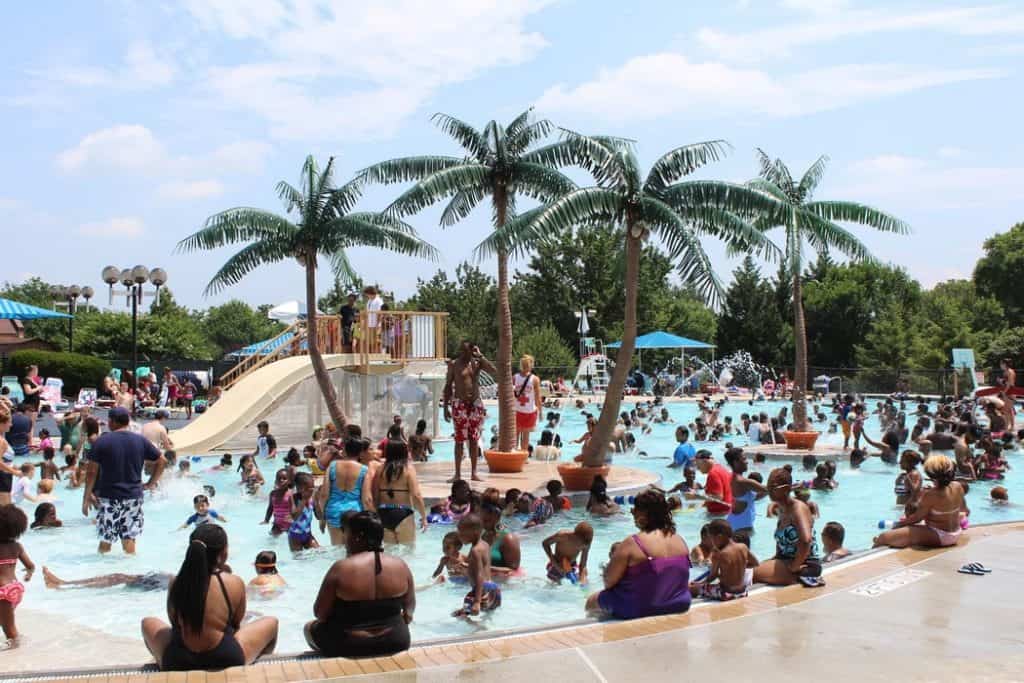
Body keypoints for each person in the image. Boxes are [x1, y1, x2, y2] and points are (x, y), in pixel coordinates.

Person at [141, 524, 279, 670]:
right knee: (272, 622)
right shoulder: (234, 582)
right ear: (224, 552)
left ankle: (165, 669)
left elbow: (174, 623)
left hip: (178, 659)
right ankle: (256, 672)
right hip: (225, 657)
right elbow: (236, 624)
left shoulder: (176, 581)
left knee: (147, 622)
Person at [305, 511, 415, 657]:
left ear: (358, 537)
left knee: (309, 628)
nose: (345, 539)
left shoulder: (341, 568)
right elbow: (409, 612)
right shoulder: (401, 566)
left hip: (350, 644)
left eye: (347, 534)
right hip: (395, 641)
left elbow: (320, 614)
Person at [585, 490, 690, 619]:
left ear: (644, 515)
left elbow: (609, 582)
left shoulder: (633, 543)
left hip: (639, 608)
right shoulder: (679, 540)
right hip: (679, 604)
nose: (632, 511)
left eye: (635, 509)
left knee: (591, 602)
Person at [82, 406, 166, 554]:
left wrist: (87, 496)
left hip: (110, 497)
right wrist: (150, 483)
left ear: (112, 422)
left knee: (106, 539)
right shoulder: (140, 440)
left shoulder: (102, 442)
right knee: (129, 538)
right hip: (134, 496)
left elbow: (91, 472)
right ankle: (130, 572)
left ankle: (101, 572)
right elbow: (162, 460)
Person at [874, 456, 969, 549]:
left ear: (930, 474)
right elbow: (966, 511)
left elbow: (916, 519)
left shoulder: (931, 494)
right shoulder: (958, 486)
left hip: (941, 536)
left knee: (883, 537)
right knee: (902, 534)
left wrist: (896, 525)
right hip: (956, 533)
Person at [753, 467, 822, 587]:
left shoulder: (797, 508)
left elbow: (806, 540)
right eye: (767, 486)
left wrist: (795, 566)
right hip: (786, 561)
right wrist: (773, 560)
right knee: (749, 569)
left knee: (749, 574)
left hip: (804, 565)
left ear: (785, 489)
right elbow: (782, 545)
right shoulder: (782, 509)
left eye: (772, 487)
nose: (768, 490)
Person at [443, 341, 496, 483]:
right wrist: (445, 408)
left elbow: (493, 371)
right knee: (459, 440)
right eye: (464, 351)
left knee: (474, 439)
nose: (466, 353)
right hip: (460, 405)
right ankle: (458, 474)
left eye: (469, 351)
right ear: (461, 350)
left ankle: (474, 472)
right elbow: (448, 386)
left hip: (475, 404)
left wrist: (481, 356)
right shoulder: (455, 365)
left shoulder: (477, 363)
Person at [372, 440, 428, 543]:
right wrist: (424, 516)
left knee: (389, 554)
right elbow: (416, 495)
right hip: (403, 513)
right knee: (408, 551)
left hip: (384, 513)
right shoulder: (408, 469)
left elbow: (375, 495)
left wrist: (375, 514)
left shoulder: (380, 469)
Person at [318, 439, 372, 545]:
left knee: (336, 549)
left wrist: (322, 517)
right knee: (353, 549)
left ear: (344, 451)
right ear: (360, 453)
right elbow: (366, 499)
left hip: (333, 511)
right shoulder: (364, 470)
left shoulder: (332, 466)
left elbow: (324, 495)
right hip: (354, 513)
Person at [689, 519, 758, 601]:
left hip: (725, 593)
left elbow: (712, 576)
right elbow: (755, 563)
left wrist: (700, 584)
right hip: (742, 592)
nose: (712, 543)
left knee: (691, 588)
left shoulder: (719, 554)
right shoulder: (743, 547)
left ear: (719, 537)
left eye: (712, 539)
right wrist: (741, 566)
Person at [452, 514, 501, 617]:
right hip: (493, 589)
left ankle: (478, 629)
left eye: (461, 532)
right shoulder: (485, 545)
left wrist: (477, 601)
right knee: (487, 616)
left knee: (461, 618)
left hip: (480, 591)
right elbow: (484, 567)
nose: (459, 536)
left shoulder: (475, 550)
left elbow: (479, 575)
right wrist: (467, 566)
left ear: (474, 532)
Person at [0, 504, 35, 646]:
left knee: (9, 629)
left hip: (2, 592)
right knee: (7, 621)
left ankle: (16, 652)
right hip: (15, 589)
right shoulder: (17, 547)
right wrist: (28, 575)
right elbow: (31, 566)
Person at [724, 447, 767, 539]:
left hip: (738, 525)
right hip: (741, 528)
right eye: (744, 459)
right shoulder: (742, 481)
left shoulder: (735, 478)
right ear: (736, 462)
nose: (747, 461)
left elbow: (753, 497)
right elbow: (769, 489)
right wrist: (795, 486)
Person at [43, 567, 173, 591]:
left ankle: (66, 586)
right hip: (165, 579)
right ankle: (65, 583)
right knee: (118, 576)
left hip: (163, 583)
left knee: (118, 578)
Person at [481, 503, 522, 576]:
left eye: (486, 521)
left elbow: (514, 571)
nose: (483, 524)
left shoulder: (509, 538)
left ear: (497, 518)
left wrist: (482, 568)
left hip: (505, 584)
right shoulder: (484, 536)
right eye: (481, 520)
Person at [513, 355, 542, 451]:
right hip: (529, 411)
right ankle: (524, 458)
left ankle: (514, 454)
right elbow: (538, 398)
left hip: (517, 410)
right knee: (526, 436)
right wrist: (541, 412)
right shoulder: (535, 379)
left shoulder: (515, 378)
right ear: (531, 365)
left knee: (515, 435)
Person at [288, 472, 319, 552]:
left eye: (313, 488)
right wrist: (304, 500)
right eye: (309, 489)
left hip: (308, 535)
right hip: (295, 537)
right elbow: (294, 517)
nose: (312, 491)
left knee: (320, 552)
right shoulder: (293, 498)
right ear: (299, 488)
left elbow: (318, 516)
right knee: (299, 560)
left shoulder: (312, 498)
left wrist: (317, 502)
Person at [695, 451, 733, 516]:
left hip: (718, 514)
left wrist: (696, 497)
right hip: (727, 511)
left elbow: (718, 497)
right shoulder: (721, 468)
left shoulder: (713, 473)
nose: (697, 468)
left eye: (697, 464)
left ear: (704, 461)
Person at [262, 469, 293, 536]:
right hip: (277, 524)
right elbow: (270, 508)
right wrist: (266, 520)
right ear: (275, 481)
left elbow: (295, 509)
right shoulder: (273, 494)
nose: (281, 480)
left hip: (290, 523)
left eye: (284, 479)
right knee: (272, 539)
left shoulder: (291, 494)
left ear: (289, 481)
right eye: (279, 479)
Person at [19, 366, 42, 435]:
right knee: (28, 424)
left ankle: (30, 441)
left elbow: (38, 390)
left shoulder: (32, 380)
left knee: (32, 425)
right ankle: (28, 441)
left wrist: (39, 389)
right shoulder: (26, 380)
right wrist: (38, 388)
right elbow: (28, 391)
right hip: (30, 404)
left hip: (35, 403)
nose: (37, 372)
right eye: (36, 371)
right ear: (32, 371)